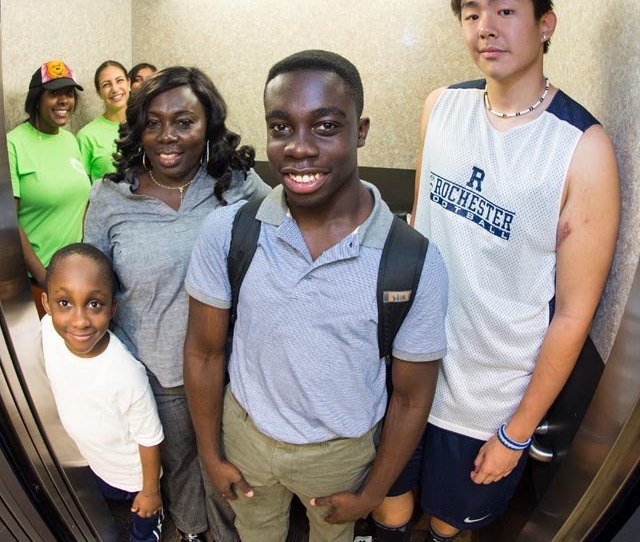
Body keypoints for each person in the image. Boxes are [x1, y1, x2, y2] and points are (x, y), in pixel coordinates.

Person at [372, 0, 621, 541]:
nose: (487, 26)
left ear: (546, 25)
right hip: (407, 367)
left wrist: (518, 430)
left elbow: (575, 312)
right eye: (472, 13)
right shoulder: (441, 107)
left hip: (487, 394)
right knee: (388, 503)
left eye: (506, 10)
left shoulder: (582, 149)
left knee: (445, 523)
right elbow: (419, 230)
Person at [183, 50, 449, 542]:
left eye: (325, 127)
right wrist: (211, 452)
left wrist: (373, 493)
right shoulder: (229, 232)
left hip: (341, 454)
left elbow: (412, 398)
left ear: (360, 130)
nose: (299, 148)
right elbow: (204, 351)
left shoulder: (411, 260)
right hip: (246, 436)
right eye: (281, 127)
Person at [84, 66, 269, 542]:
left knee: (230, 472)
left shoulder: (236, 184)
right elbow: (93, 286)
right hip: (155, 372)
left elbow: (292, 231)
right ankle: (189, 532)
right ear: (138, 129)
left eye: (184, 122)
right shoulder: (110, 198)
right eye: (153, 122)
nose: (167, 136)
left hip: (229, 368)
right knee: (181, 469)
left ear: (208, 125)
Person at [40, 243, 165, 542]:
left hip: (134, 476)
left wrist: (150, 491)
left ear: (113, 307)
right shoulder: (47, 331)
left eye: (94, 304)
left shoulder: (125, 372)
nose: (80, 320)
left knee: (143, 522)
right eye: (65, 303)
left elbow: (149, 438)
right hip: (93, 462)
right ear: (46, 304)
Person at [7, 59, 92, 313]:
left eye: (69, 93)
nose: (64, 100)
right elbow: (7, 224)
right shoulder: (14, 144)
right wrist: (44, 278)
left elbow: (82, 200)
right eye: (54, 93)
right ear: (37, 99)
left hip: (73, 274)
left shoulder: (70, 140)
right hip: (36, 282)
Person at [78, 60, 130, 181]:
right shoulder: (87, 136)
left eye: (119, 81)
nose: (115, 89)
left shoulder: (145, 125)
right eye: (106, 84)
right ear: (99, 93)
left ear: (129, 83)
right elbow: (83, 189)